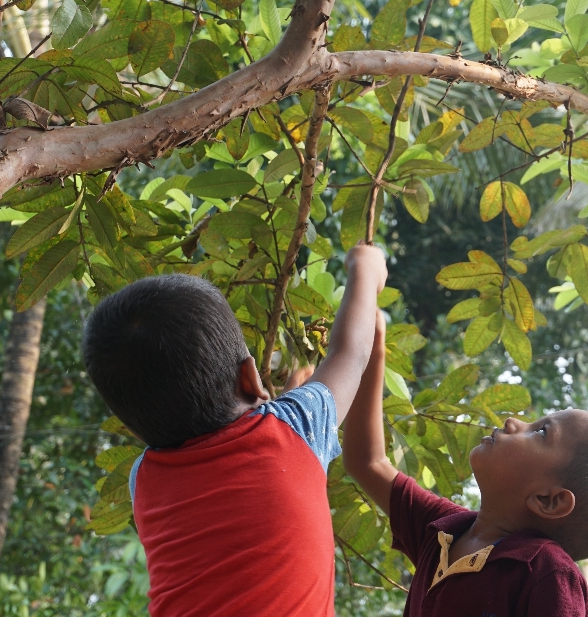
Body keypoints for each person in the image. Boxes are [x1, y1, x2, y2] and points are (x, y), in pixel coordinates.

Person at [81, 244, 387, 616]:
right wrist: (366, 269)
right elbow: (350, 352)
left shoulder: (142, 480)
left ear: (132, 428)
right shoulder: (297, 428)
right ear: (250, 377)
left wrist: (286, 405)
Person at [342, 311, 588, 617]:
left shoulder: (545, 572)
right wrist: (374, 342)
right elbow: (367, 461)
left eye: (541, 431)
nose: (514, 422)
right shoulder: (443, 531)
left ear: (548, 499)